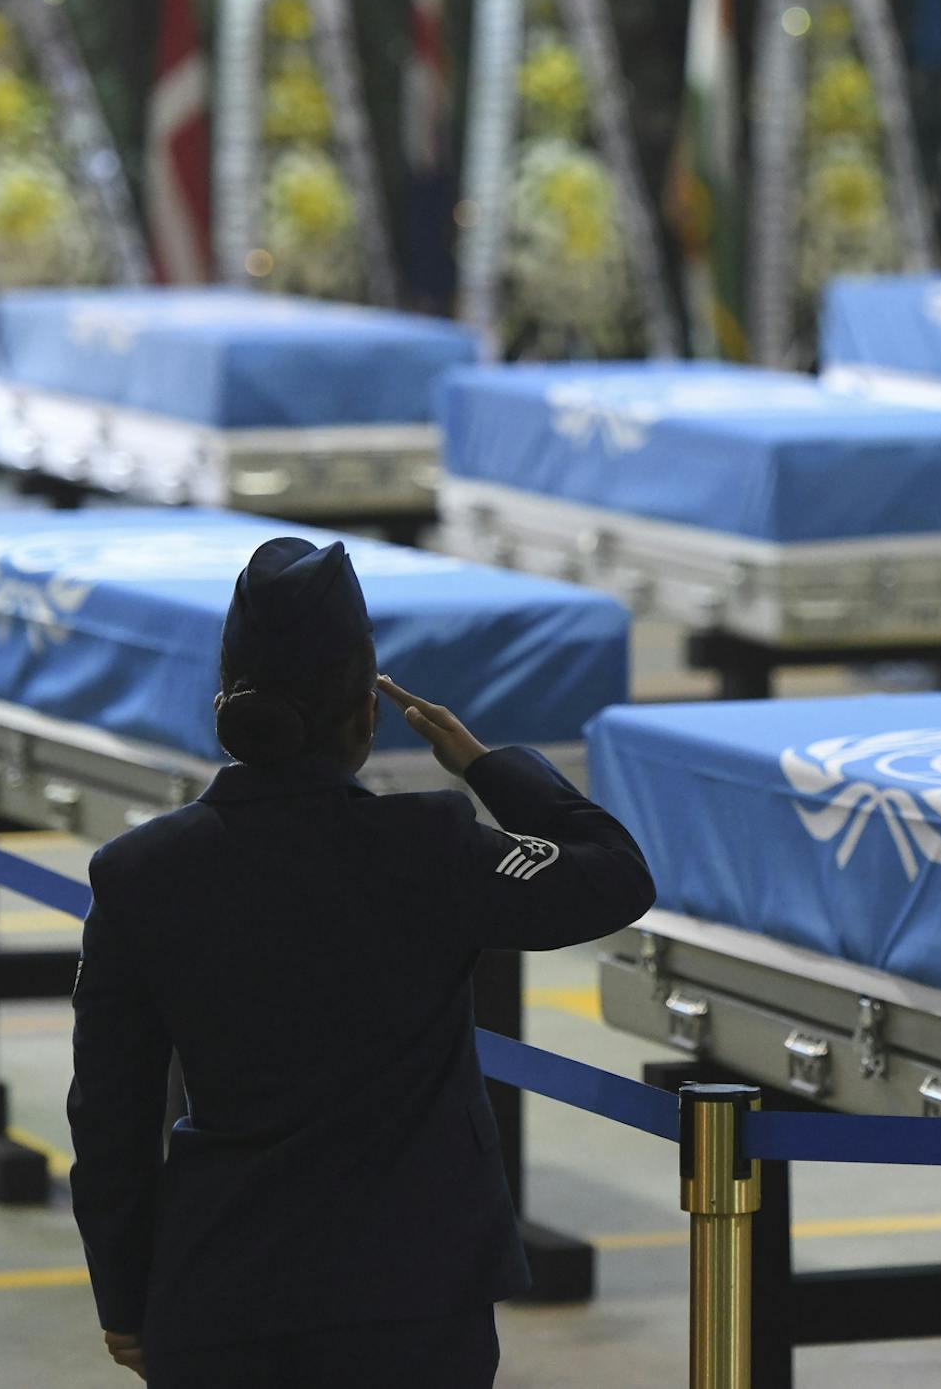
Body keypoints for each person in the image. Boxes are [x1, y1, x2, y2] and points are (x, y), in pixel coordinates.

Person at [66, 537, 656, 1387]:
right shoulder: (430, 846)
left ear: (225, 705)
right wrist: (488, 765)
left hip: (224, 1294)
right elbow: (616, 876)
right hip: (415, 1296)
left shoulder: (138, 873)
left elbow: (110, 1114)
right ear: (366, 717)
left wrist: (124, 1294)